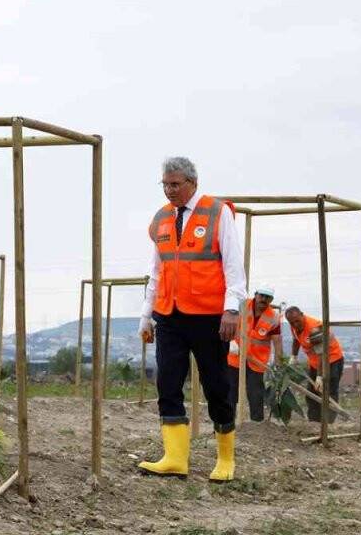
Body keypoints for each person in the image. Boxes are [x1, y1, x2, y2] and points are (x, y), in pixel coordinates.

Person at [137, 157, 246, 482]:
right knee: (167, 383)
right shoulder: (162, 219)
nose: (169, 190)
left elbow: (233, 265)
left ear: (192, 183)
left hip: (209, 316)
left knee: (216, 386)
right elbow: (157, 270)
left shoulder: (217, 213)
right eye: (165, 184)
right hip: (169, 315)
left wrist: (232, 309)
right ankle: (174, 459)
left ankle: (225, 459)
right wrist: (146, 314)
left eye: (175, 184)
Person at [227, 286, 283, 422]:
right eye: (261, 295)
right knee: (230, 391)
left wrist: (278, 364)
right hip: (235, 356)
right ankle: (227, 422)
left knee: (256, 393)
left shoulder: (274, 317)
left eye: (267, 297)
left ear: (271, 300)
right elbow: (228, 322)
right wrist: (231, 341)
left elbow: (277, 342)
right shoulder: (241, 305)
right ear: (255, 295)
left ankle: (257, 424)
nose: (263, 299)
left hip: (256, 361)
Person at [285, 306, 344, 423]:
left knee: (328, 393)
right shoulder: (294, 326)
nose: (295, 324)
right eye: (292, 323)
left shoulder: (314, 329)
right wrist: (294, 356)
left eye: (297, 321)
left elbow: (322, 354)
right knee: (312, 393)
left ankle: (328, 423)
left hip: (331, 361)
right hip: (315, 363)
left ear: (302, 315)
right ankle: (314, 422)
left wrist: (319, 376)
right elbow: (296, 339)